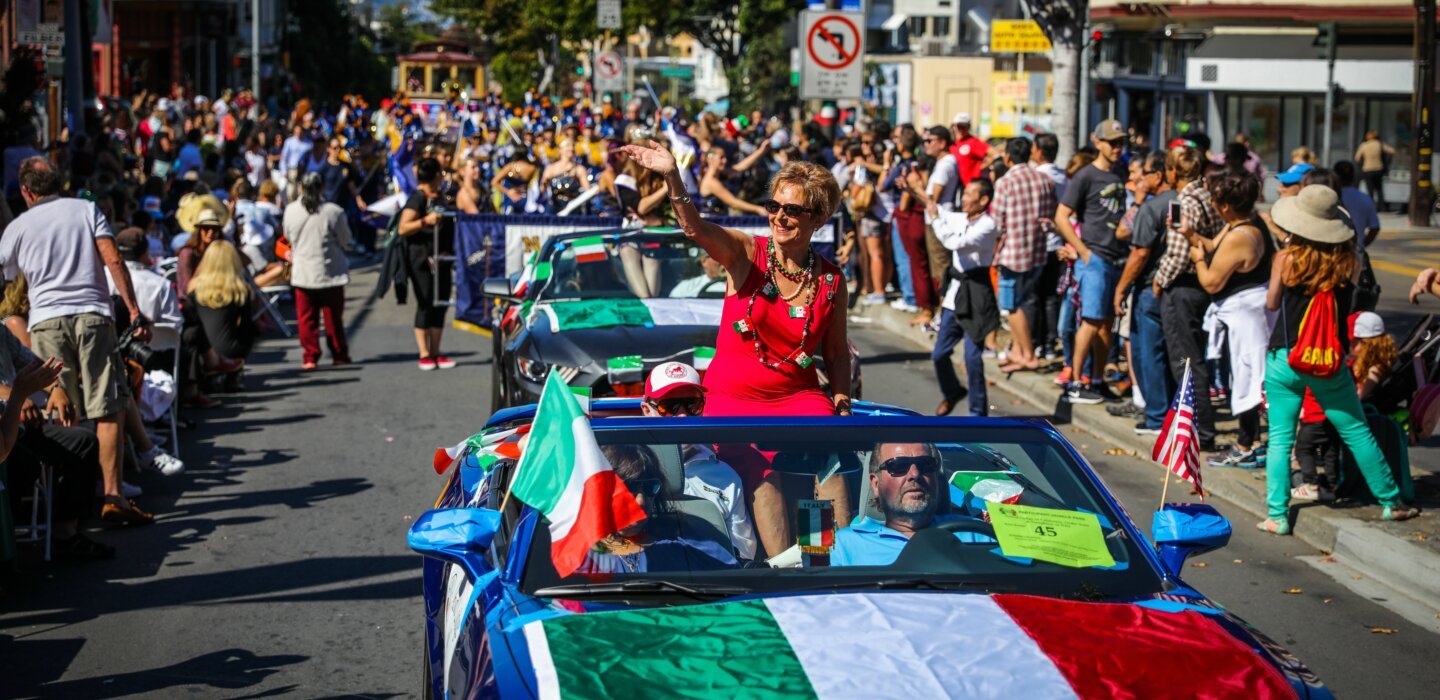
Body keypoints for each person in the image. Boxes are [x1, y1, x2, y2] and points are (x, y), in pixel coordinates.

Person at [620, 141, 852, 560]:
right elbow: (695, 228)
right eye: (773, 205)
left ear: (818, 219)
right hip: (732, 397)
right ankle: (787, 571)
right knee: (759, 474)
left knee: (830, 462)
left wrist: (840, 400)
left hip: (797, 397)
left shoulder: (831, 281)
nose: (779, 216)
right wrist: (673, 176)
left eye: (792, 210)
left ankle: (827, 560)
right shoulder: (748, 253)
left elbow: (836, 355)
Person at [0, 156, 154, 525]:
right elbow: (112, 258)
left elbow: (5, 278)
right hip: (91, 313)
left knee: (59, 404)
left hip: (47, 318)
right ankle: (111, 494)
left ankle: (68, 510)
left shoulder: (19, 226)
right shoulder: (87, 209)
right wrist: (133, 310)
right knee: (107, 404)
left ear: (25, 191)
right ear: (61, 181)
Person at [1260, 185, 1419, 534]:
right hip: (1328, 361)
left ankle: (1276, 516)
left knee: (1281, 437)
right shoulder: (1350, 262)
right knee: (1356, 430)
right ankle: (1392, 502)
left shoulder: (1285, 260)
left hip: (1284, 356)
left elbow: (1272, 305)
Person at [1186, 172, 1274, 468]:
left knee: (1247, 378)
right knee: (1244, 376)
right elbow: (1213, 246)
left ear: (1225, 206)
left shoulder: (1239, 235)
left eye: (1214, 199)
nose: (1211, 203)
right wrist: (1191, 236)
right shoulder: (1245, 221)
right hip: (1246, 312)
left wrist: (1196, 258)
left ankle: (1245, 444)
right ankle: (1255, 441)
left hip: (1246, 316)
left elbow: (1211, 282)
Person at [639, 362, 758, 561]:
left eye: (692, 404)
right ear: (646, 410)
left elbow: (742, 556)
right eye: (669, 406)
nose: (683, 414)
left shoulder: (726, 476)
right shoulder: (626, 470)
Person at [908, 176, 997, 416]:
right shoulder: (961, 217)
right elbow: (934, 206)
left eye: (970, 195)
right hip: (954, 296)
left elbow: (953, 242)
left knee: (972, 358)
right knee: (939, 354)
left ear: (984, 200)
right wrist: (914, 188)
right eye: (965, 194)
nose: (964, 199)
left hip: (976, 293)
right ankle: (952, 391)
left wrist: (936, 219)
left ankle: (978, 414)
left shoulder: (987, 226)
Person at [1054, 121, 1129, 404]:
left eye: (1120, 142)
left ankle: (1096, 381)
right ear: (1097, 142)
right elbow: (1062, 215)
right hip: (1095, 257)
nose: (1117, 147)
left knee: (1106, 323)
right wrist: (1083, 251)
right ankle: (1075, 381)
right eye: (1112, 142)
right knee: (1090, 320)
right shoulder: (1085, 175)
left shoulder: (1120, 173)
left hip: (1116, 258)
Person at [576, 444, 737, 575]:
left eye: (649, 487)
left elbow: (737, 590)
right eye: (628, 487)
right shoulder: (572, 549)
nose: (640, 501)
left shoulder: (684, 539)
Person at [831, 442, 989, 566]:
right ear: (875, 484)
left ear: (936, 479)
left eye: (925, 465)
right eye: (898, 466)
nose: (915, 474)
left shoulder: (976, 533)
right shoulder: (843, 546)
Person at [1113, 151, 1174, 434]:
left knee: (1148, 353)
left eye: (1145, 173)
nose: (1140, 178)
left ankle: (1157, 417)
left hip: (1150, 286)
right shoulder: (1182, 201)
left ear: (1158, 176)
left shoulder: (1153, 207)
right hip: (1172, 288)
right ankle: (1167, 413)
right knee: (1167, 352)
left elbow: (1139, 252)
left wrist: (1121, 288)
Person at [988, 138, 1056, 374]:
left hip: (1011, 252)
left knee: (1011, 305)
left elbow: (995, 223)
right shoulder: (1045, 180)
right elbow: (1050, 216)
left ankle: (1027, 355)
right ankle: (1019, 351)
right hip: (1037, 250)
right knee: (1025, 301)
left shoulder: (1005, 182)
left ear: (1008, 157)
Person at [285, 172, 353, 370]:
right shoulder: (333, 211)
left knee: (306, 319)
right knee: (333, 318)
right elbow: (345, 239)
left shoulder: (291, 210)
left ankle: (310, 356)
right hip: (329, 271)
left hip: (303, 272)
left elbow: (289, 236)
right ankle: (339, 353)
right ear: (322, 187)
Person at [396, 157, 455, 371]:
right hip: (421, 259)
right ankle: (424, 352)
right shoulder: (418, 198)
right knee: (425, 302)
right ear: (436, 174)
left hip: (443, 258)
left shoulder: (440, 197)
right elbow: (403, 228)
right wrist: (424, 221)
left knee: (440, 303)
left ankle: (436, 350)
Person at [188, 240, 259, 364]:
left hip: (203, 348)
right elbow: (247, 324)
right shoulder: (240, 289)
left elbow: (191, 319)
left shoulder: (194, 287)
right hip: (231, 348)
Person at [1353, 131, 1394, 212]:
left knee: (1370, 189)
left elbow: (1357, 158)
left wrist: (1363, 162)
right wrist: (1387, 161)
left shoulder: (1364, 145)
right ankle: (1381, 207)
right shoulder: (1379, 144)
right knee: (1379, 189)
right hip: (1378, 168)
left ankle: (1371, 207)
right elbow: (1392, 151)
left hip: (1367, 169)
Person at [949, 113, 989, 186]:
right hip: (954, 186)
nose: (962, 130)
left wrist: (980, 167)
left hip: (969, 186)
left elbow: (994, 154)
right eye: (959, 126)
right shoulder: (950, 144)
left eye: (965, 127)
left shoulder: (973, 142)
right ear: (953, 126)